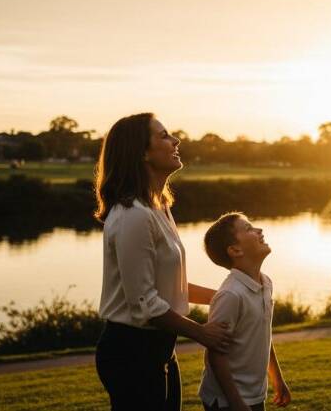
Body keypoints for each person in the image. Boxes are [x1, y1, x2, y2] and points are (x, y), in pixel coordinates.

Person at [95, 113, 231, 411]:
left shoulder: (160, 207)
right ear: (142, 152)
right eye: (164, 135)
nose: (175, 140)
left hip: (160, 347)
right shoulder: (134, 215)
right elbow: (144, 302)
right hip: (131, 352)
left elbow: (170, 287)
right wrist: (200, 332)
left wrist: (226, 297)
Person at [199, 212, 292, 411]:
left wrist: (277, 378)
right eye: (249, 228)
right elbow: (215, 354)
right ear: (235, 250)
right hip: (227, 401)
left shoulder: (265, 283)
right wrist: (236, 402)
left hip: (254, 394)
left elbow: (262, 334)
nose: (259, 230)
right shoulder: (231, 295)